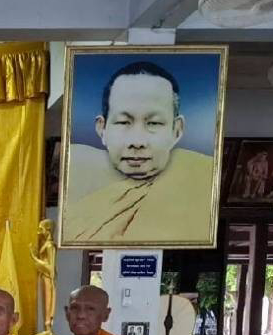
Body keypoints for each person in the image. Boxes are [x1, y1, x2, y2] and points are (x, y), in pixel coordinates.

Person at [62, 61, 214, 245]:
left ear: (177, 130)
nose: (137, 142)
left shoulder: (202, 178)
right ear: (102, 129)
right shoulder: (75, 172)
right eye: (123, 122)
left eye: (154, 123)